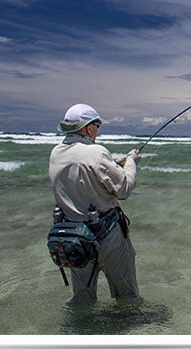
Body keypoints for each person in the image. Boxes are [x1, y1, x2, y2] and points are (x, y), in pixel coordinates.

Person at [49, 103, 142, 302]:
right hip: (107, 236)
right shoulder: (96, 152)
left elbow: (83, 172)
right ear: (89, 128)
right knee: (126, 297)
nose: (97, 132)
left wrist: (113, 165)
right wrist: (132, 162)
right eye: (97, 127)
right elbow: (124, 189)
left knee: (83, 297)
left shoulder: (55, 153)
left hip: (74, 237)